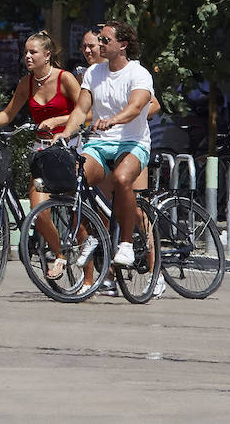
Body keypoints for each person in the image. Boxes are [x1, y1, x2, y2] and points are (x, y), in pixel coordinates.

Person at [0, 31, 83, 286]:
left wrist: (59, 120)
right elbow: (9, 114)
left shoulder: (65, 79)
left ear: (47, 55)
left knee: (77, 215)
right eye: (26, 52)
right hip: (41, 151)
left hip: (67, 147)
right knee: (38, 211)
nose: (28, 56)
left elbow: (85, 113)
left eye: (33, 52)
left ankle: (92, 273)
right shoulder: (27, 83)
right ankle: (60, 255)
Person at [55, 20, 155, 287]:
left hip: (132, 142)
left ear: (122, 45)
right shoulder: (93, 73)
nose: (100, 45)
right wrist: (66, 132)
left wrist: (114, 120)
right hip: (99, 144)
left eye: (105, 41)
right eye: (99, 40)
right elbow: (81, 108)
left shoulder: (139, 73)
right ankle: (89, 238)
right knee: (73, 179)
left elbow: (136, 107)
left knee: (123, 179)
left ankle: (125, 244)